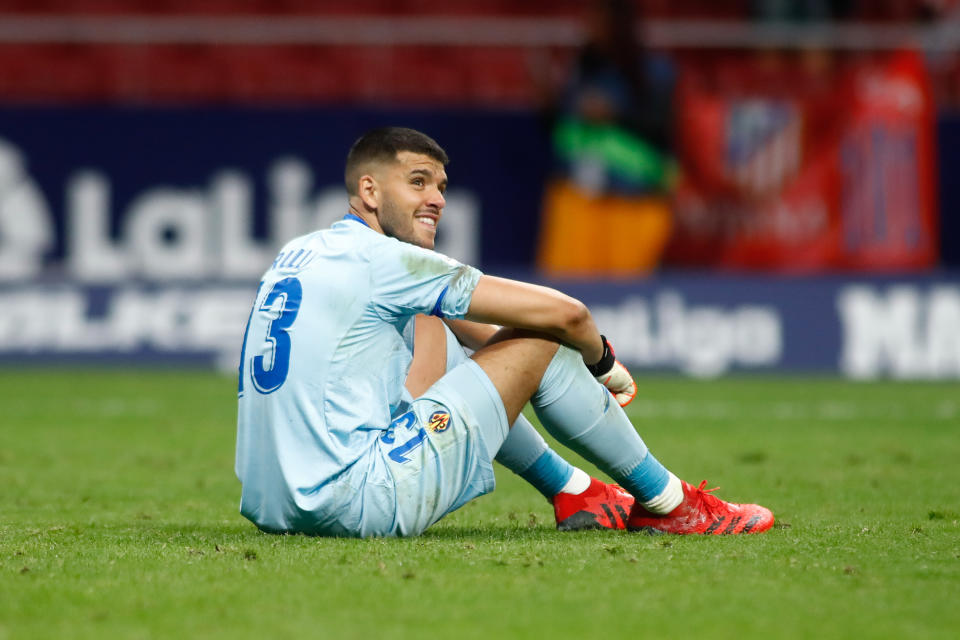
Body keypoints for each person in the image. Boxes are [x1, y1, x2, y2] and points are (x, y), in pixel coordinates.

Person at [235, 126, 773, 538]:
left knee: (439, 326)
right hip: (356, 503)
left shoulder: (300, 251)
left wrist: (508, 371)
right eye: (418, 182)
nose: (437, 199)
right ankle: (671, 504)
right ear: (369, 190)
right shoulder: (387, 261)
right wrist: (602, 362)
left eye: (442, 187)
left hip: (274, 505)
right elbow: (570, 316)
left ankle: (573, 491)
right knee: (537, 334)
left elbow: (466, 330)